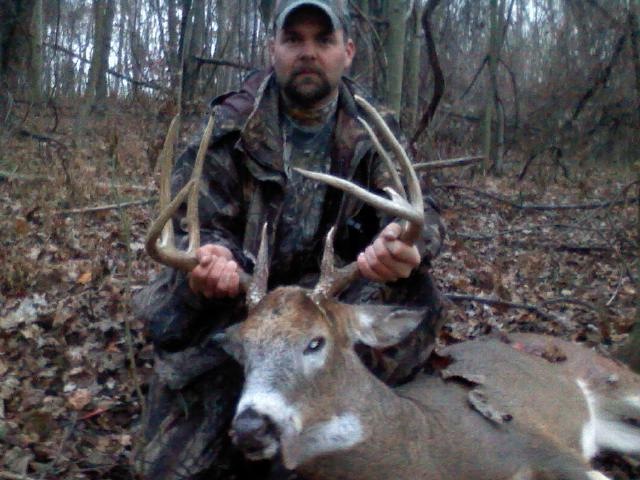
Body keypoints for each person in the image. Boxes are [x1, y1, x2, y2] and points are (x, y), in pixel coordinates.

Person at [133, 1, 446, 479]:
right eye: (294, 39)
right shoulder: (230, 126)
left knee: (416, 292)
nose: (308, 52)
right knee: (165, 470)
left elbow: (422, 212)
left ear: (348, 51)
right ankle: (235, 393)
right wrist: (212, 257)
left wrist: (405, 243)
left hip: (327, 310)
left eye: (323, 40)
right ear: (272, 49)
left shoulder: (372, 126)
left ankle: (335, 410)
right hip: (242, 308)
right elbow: (190, 223)